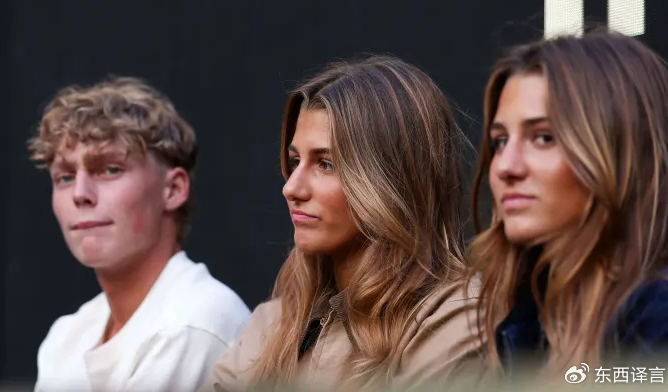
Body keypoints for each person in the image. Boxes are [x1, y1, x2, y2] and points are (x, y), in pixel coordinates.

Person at [201, 55, 482, 392]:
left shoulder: (454, 319)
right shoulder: (275, 321)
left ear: (392, 180)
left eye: (326, 164)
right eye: (295, 161)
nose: (291, 188)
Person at [468, 30, 668, 382]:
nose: (505, 167)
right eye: (499, 142)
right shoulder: (525, 322)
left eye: (544, 137)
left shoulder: (662, 318)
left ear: (619, 153)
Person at [29, 76, 250, 392]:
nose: (80, 194)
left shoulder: (194, 323)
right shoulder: (67, 336)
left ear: (173, 189)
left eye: (110, 169)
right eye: (64, 177)